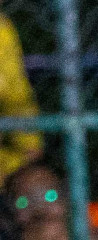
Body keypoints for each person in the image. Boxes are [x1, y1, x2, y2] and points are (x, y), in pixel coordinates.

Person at [0, 10, 43, 182]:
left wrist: (29, 143)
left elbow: (17, 93)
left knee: (38, 187)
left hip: (7, 162)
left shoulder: (3, 31)